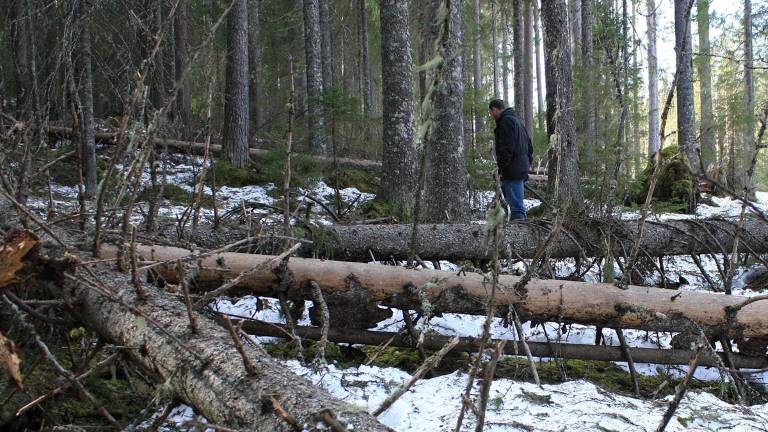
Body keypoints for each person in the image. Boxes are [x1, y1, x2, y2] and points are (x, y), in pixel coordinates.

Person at [488, 99, 533, 220]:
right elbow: (530, 147)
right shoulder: (517, 121)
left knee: (516, 207)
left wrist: (501, 168)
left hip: (513, 170)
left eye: (491, 113)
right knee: (504, 203)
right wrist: (527, 164)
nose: (491, 116)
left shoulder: (505, 122)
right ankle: (503, 231)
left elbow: (507, 149)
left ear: (494, 109)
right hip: (519, 168)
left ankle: (520, 234)